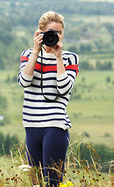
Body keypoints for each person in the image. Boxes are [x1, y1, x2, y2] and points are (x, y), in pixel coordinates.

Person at [17, 11, 79, 186]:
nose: (56, 36)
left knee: (53, 181)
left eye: (59, 33)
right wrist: (36, 51)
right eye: (52, 32)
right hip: (31, 126)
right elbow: (24, 81)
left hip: (55, 126)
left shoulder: (70, 58)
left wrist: (58, 57)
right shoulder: (28, 54)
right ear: (40, 33)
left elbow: (65, 88)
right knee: (34, 182)